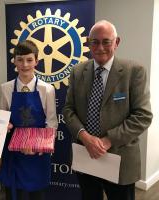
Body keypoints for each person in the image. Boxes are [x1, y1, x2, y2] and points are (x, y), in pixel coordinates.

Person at [63, 20, 152, 200]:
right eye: (94, 41)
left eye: (106, 41)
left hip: (120, 158)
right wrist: (85, 137)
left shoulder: (134, 71)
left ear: (117, 42)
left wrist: (107, 140)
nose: (100, 47)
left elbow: (143, 116)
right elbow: (68, 110)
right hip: (86, 155)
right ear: (88, 43)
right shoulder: (78, 71)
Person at [0, 40, 58, 200]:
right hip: (14, 151)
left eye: (29, 60)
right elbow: (3, 118)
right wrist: (5, 125)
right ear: (14, 61)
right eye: (20, 59)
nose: (25, 64)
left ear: (36, 61)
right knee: (13, 194)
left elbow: (51, 122)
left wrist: (37, 146)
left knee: (37, 195)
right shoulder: (5, 88)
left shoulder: (47, 89)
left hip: (37, 152)